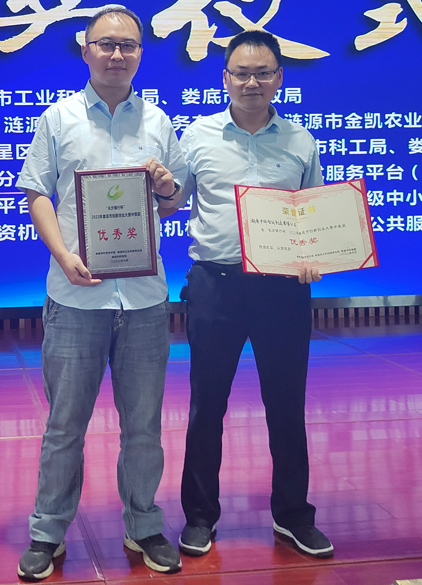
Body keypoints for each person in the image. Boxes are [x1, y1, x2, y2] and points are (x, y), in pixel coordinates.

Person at [14, 7, 188, 581]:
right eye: (106, 44)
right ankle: (47, 531)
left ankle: (144, 525)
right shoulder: (58, 119)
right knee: (65, 425)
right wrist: (63, 255)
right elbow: (37, 193)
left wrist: (167, 187)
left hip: (143, 300)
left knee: (144, 426)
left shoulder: (159, 121)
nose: (117, 54)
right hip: (76, 298)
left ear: (141, 53)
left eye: (128, 45)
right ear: (85, 49)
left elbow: (172, 202)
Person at [161, 29, 334, 560]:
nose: (251, 82)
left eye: (262, 73)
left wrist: (315, 255)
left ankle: (293, 515)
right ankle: (200, 516)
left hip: (283, 291)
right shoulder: (198, 135)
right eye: (241, 73)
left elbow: (315, 215)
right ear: (225, 78)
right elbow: (172, 202)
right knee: (206, 406)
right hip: (215, 287)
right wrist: (156, 185)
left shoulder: (301, 141)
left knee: (287, 406)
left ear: (279, 78)